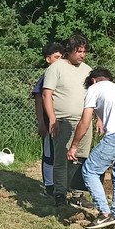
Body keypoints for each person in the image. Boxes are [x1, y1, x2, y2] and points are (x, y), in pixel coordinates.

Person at [67, 68, 115, 229]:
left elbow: (84, 121)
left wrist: (74, 146)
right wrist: (101, 119)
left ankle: (104, 213)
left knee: (89, 170)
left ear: (94, 80)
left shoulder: (93, 88)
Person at [42, 34, 93, 208]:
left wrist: (99, 118)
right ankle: (60, 194)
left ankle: (78, 194)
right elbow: (46, 94)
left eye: (84, 51)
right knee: (62, 159)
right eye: (79, 51)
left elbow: (95, 97)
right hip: (63, 121)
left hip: (84, 122)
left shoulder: (88, 70)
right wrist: (52, 119)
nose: (82, 55)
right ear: (69, 51)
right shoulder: (56, 68)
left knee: (80, 158)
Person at [31, 42, 63, 197]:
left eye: (62, 57)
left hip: (65, 121)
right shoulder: (46, 77)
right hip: (49, 122)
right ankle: (49, 185)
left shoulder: (64, 74)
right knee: (49, 154)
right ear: (48, 59)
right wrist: (42, 123)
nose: (60, 60)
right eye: (56, 57)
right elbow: (39, 99)